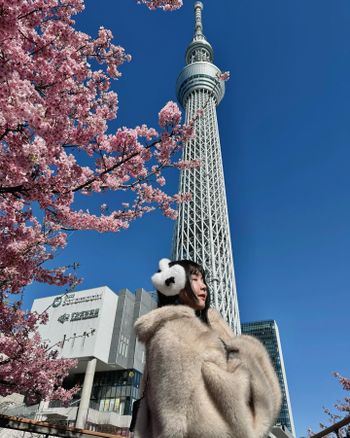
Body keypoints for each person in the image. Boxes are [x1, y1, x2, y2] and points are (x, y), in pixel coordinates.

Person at [132, 258, 281, 438]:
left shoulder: (208, 330)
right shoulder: (173, 335)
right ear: (175, 285)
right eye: (194, 279)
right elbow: (177, 421)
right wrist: (246, 359)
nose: (203, 286)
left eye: (203, 280)